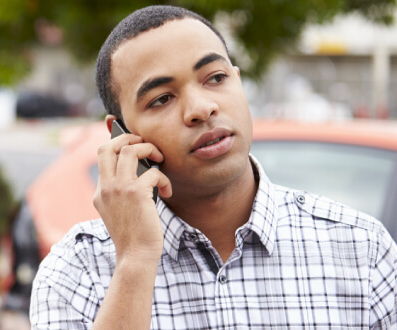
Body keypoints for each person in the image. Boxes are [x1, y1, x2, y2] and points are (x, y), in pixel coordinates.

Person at [30, 5, 397, 329]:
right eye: (161, 99)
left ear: (238, 81)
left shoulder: (360, 248)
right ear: (122, 135)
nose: (201, 108)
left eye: (215, 78)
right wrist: (135, 259)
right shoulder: (77, 270)